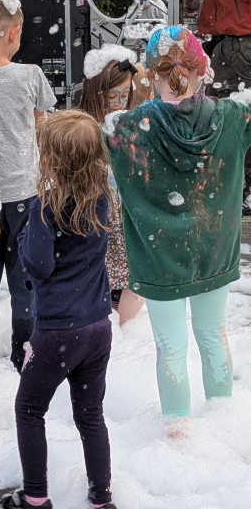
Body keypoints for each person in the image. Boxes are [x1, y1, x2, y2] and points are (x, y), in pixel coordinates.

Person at [105, 26, 251, 435]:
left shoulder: (125, 128)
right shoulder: (233, 117)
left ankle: (176, 437)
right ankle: (224, 428)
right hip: (215, 248)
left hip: (159, 256)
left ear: (150, 74)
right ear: (203, 70)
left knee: (170, 347)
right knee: (212, 333)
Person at [0, 110, 116, 509]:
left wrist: (27, 235)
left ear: (49, 161)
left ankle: (36, 497)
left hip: (58, 332)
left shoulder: (45, 210)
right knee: (91, 415)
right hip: (98, 327)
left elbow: (39, 265)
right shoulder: (101, 201)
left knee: (28, 409)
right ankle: (101, 498)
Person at [0, 0, 56, 372]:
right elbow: (44, 128)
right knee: (25, 278)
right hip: (25, 192)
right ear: (15, 34)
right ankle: (24, 350)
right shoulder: (31, 76)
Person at [79, 45, 144, 324]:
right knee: (97, 272)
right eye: (112, 96)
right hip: (95, 210)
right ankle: (107, 325)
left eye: (124, 95)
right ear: (96, 93)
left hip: (123, 210)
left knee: (133, 276)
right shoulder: (83, 126)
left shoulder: (129, 122)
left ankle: (124, 333)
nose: (119, 102)